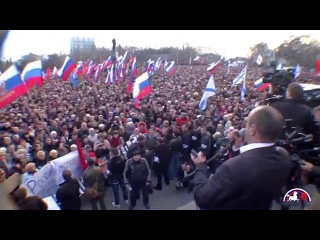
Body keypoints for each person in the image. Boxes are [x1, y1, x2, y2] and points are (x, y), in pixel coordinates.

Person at [192, 106, 291, 210]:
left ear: (252, 130)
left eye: (247, 123)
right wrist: (237, 147)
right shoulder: (283, 156)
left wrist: (200, 166)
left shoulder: (233, 167)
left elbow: (202, 198)